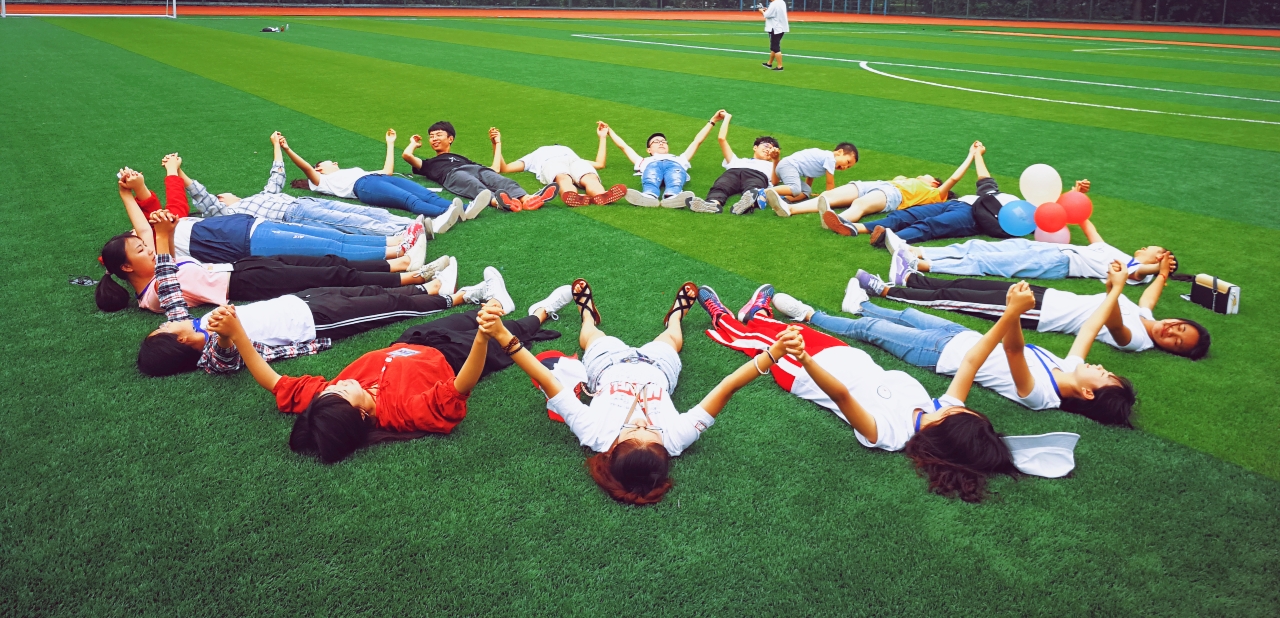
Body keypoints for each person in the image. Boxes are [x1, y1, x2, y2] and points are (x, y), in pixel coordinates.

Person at [700, 284, 1024, 502]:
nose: (956, 405)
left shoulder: (891, 434)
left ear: (946, 432)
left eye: (958, 413)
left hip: (803, 373)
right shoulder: (934, 407)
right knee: (785, 331)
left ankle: (723, 317)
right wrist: (1011, 314)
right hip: (840, 353)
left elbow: (842, 396)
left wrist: (805, 360)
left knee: (754, 344)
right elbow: (971, 361)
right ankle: (758, 315)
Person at [481, 280, 791, 505]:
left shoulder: (594, 433)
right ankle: (675, 316)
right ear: (664, 450)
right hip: (659, 369)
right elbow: (727, 387)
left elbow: (548, 382)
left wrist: (502, 335)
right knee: (671, 339)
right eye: (650, 433)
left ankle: (587, 313)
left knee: (593, 336)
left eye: (633, 433)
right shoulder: (676, 438)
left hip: (606, 366)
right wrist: (772, 354)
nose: (643, 425)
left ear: (613, 450)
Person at [210, 295, 561, 463]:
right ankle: (542, 311)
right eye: (341, 393)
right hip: (455, 356)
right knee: (510, 330)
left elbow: (274, 381)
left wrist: (237, 333)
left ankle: (493, 303)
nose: (337, 384)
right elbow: (460, 388)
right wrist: (484, 338)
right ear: (360, 415)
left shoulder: (325, 402)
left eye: (330, 389)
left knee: (468, 316)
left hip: (411, 340)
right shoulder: (402, 413)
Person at [136, 210, 466, 376]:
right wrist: (224, 334)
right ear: (177, 342)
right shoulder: (210, 356)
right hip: (315, 322)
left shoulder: (190, 323)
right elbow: (226, 356)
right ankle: (445, 297)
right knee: (384, 307)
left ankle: (423, 284)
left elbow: (167, 284)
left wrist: (163, 236)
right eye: (165, 327)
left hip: (299, 301)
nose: (169, 321)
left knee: (366, 289)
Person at [832, 265, 1138, 426]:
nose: (1101, 367)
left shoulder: (1041, 396)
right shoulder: (1070, 369)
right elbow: (1089, 328)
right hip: (965, 337)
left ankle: (809, 314)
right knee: (907, 314)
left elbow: (1013, 350)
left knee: (871, 331)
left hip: (941, 354)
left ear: (1088, 393)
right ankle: (859, 305)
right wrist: (1115, 289)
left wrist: (1013, 311)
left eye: (1104, 375)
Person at [855, 251, 1207, 359]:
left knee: (959, 301)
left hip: (1038, 314)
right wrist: (1161, 273)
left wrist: (1113, 289)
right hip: (1045, 295)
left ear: (1170, 350)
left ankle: (885, 292)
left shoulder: (1138, 341)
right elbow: (1148, 298)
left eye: (1177, 342)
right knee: (968, 285)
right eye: (1180, 328)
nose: (1171, 333)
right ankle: (911, 279)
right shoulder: (1148, 317)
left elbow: (1115, 324)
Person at [96, 209, 435, 314]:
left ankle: (401, 265)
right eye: (142, 251)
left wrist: (129, 195)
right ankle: (415, 279)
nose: (151, 250)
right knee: (333, 274)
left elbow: (148, 237)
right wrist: (165, 237)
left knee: (328, 260)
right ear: (127, 268)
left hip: (241, 267)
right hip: (246, 283)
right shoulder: (155, 295)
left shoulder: (155, 274)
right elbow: (169, 276)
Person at [113, 159, 426, 268]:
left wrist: (137, 188)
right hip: (247, 240)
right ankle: (397, 251)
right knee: (330, 246)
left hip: (255, 226)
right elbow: (178, 204)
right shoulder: (160, 245)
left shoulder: (167, 230)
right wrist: (132, 191)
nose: (142, 235)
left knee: (333, 236)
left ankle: (397, 244)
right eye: (138, 242)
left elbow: (163, 210)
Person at [891, 186, 1168, 284]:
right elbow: (1085, 222)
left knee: (989, 265)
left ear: (1158, 259)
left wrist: (1159, 268)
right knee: (981, 247)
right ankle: (917, 251)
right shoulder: (1116, 253)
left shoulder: (1137, 272)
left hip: (1058, 264)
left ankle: (922, 265)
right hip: (1052, 252)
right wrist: (1076, 196)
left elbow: (1139, 273)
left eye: (1151, 249)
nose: (1143, 247)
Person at [186, 132, 420, 237]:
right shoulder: (230, 212)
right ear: (220, 200)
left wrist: (276, 145)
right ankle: (403, 232)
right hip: (294, 215)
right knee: (349, 222)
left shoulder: (260, 195)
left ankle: (410, 224)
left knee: (360, 211)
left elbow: (277, 175)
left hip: (303, 203)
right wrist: (179, 173)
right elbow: (204, 199)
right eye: (221, 195)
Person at [284, 129, 469, 233]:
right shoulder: (321, 180)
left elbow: (387, 171)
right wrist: (286, 148)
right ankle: (447, 214)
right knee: (411, 201)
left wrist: (390, 143)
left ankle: (467, 209)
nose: (334, 162)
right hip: (364, 187)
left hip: (377, 179)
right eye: (329, 162)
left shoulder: (351, 170)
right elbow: (306, 167)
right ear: (319, 168)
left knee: (425, 194)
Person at [853, 141, 1019, 244]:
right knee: (906, 215)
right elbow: (983, 176)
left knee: (930, 225)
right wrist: (977, 154)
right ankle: (855, 227)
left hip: (973, 217)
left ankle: (888, 240)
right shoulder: (995, 192)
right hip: (956, 204)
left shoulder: (1024, 214)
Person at [807, 145, 978, 234]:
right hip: (882, 185)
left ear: (934, 184)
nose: (924, 174)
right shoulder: (909, 180)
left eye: (929, 176)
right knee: (833, 195)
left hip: (894, 195)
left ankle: (837, 221)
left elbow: (954, 178)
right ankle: (790, 208)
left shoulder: (936, 194)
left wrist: (972, 155)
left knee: (860, 203)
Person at [402, 121, 558, 213]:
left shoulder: (461, 158)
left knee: (500, 180)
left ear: (450, 139)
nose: (434, 138)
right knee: (472, 185)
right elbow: (407, 156)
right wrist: (413, 144)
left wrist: (497, 143)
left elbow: (495, 168)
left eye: (438, 135)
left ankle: (527, 199)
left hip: (473, 168)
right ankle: (499, 201)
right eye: (431, 136)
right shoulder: (429, 164)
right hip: (452, 175)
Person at [602, 112, 725, 208]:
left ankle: (673, 196)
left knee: (675, 176)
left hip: (674, 166)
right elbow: (624, 147)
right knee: (651, 175)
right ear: (649, 150)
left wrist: (712, 121)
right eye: (656, 142)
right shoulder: (644, 161)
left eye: (664, 141)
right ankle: (649, 196)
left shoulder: (679, 159)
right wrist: (609, 131)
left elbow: (697, 141)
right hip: (652, 166)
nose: (661, 143)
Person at [489, 123, 626, 207]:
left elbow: (599, 164)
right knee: (562, 176)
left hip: (573, 161)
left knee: (589, 176)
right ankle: (572, 196)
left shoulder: (568, 151)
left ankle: (601, 195)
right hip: (549, 163)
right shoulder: (534, 155)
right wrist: (496, 144)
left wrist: (602, 137)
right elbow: (505, 168)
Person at [688, 112, 779, 215]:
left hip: (757, 175)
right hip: (733, 172)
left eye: (772, 148)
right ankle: (712, 204)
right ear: (755, 147)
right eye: (766, 146)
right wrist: (727, 118)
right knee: (722, 185)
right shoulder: (736, 161)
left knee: (753, 190)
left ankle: (747, 205)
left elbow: (775, 182)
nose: (768, 150)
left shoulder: (773, 165)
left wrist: (776, 160)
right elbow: (721, 139)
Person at [763, 141, 860, 212]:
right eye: (847, 162)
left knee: (806, 191)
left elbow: (810, 175)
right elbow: (830, 184)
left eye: (848, 167)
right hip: (788, 166)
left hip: (787, 167)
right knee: (795, 189)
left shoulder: (825, 158)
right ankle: (762, 192)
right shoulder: (830, 158)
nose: (845, 167)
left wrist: (807, 188)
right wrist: (830, 199)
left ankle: (780, 200)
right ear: (840, 152)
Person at [758, 0, 788, 71]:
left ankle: (780, 66)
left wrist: (762, 11)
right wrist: (767, 11)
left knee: (775, 47)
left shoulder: (774, 3)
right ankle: (769, 63)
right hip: (780, 27)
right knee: (774, 46)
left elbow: (767, 15)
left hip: (775, 27)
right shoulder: (781, 2)